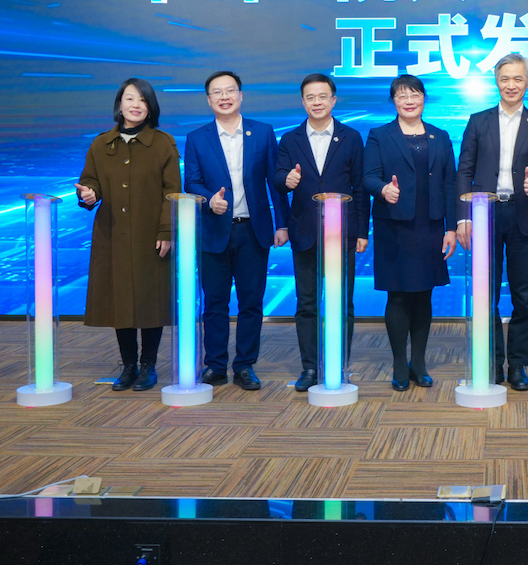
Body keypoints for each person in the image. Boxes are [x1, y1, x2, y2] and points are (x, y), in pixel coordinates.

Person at [456, 53, 528, 391]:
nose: (511, 85)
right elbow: (464, 172)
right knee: (486, 295)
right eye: (504, 79)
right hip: (484, 213)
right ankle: (492, 362)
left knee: (523, 296)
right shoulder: (478, 121)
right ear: (496, 82)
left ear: (527, 82)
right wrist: (463, 217)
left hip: (522, 215)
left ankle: (518, 365)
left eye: (517, 79)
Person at [184, 70, 289, 391]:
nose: (224, 97)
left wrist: (282, 224)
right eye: (217, 92)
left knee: (251, 302)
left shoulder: (263, 133)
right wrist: (208, 200)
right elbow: (191, 182)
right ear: (209, 100)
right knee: (214, 303)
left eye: (230, 90)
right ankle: (215, 365)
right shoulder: (197, 138)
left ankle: (245, 365)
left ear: (240, 95)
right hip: (214, 231)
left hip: (253, 231)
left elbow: (275, 182)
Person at [75, 78, 181, 392]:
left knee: (151, 300)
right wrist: (88, 195)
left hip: (151, 236)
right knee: (120, 300)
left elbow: (172, 191)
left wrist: (166, 230)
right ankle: (129, 365)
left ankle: (149, 366)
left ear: (151, 107)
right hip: (113, 236)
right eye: (130, 98)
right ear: (120, 104)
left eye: (143, 100)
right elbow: (90, 183)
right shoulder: (101, 144)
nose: (136, 105)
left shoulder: (163, 143)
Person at [275, 73, 370, 392]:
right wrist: (286, 180)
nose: (317, 102)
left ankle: (339, 365)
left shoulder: (351, 137)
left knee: (343, 303)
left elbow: (360, 187)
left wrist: (361, 230)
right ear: (303, 102)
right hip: (305, 232)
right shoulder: (290, 140)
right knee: (307, 304)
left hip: (342, 233)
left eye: (322, 96)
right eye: (310, 97)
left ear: (333, 100)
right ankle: (310, 367)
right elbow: (278, 179)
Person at [362, 75, 458, 391]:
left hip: (430, 227)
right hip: (395, 226)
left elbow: (449, 183)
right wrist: (383, 189)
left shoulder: (440, 136)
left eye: (414, 94)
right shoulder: (379, 135)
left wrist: (451, 227)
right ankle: (400, 363)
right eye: (401, 95)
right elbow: (368, 176)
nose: (409, 100)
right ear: (393, 101)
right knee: (398, 295)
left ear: (423, 99)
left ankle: (419, 362)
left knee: (424, 294)